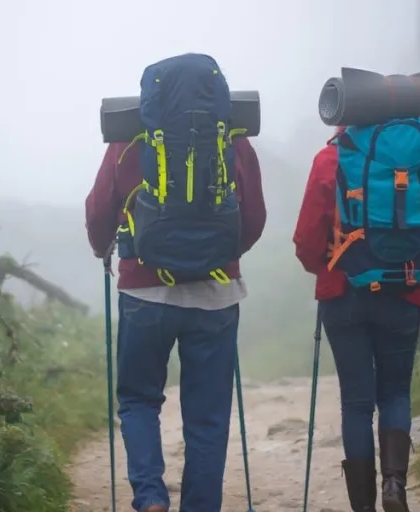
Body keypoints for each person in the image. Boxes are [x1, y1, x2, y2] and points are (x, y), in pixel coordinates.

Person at [84, 103, 266, 511]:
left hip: (143, 293)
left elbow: (99, 210)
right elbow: (254, 216)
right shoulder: (232, 137)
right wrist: (223, 254)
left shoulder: (129, 135)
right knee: (207, 415)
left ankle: (150, 498)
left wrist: (103, 249)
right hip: (216, 295)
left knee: (139, 399)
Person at [292, 127, 420, 512]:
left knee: (357, 401)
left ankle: (362, 507)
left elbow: (306, 241)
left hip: (343, 293)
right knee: (396, 393)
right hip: (404, 291)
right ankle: (394, 486)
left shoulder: (330, 159)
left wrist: (328, 267)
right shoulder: (416, 160)